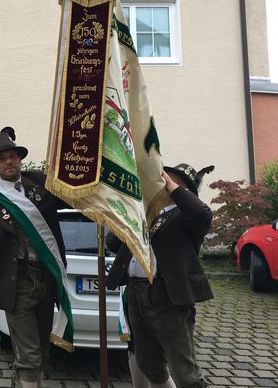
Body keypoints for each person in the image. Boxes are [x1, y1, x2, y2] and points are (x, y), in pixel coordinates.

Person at [0, 127, 70, 388]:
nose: (9, 161)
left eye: (12, 156)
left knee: (43, 352)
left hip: (46, 279)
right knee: (30, 356)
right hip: (17, 283)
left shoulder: (42, 183)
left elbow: (74, 192)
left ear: (20, 159)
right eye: (2, 158)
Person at [106, 163, 215, 388]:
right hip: (136, 291)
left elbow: (201, 212)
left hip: (166, 294)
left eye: (168, 179)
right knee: (148, 363)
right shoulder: (144, 214)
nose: (160, 181)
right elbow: (113, 244)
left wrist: (172, 186)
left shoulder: (185, 216)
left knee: (184, 370)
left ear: (182, 188)